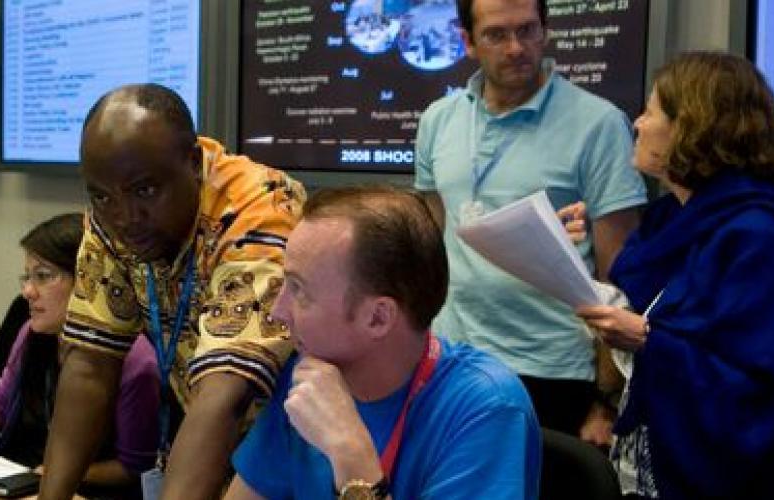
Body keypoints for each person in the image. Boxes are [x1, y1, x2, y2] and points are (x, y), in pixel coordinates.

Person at [38, 84, 305, 500]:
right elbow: (90, 367)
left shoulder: (258, 206)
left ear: (194, 163)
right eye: (102, 197)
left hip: (292, 457)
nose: (125, 218)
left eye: (145, 191)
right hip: (210, 453)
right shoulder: (112, 216)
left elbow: (225, 393)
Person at [413, 0, 647, 441]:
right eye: (497, 35)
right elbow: (430, 245)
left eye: (528, 31)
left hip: (552, 370)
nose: (517, 47)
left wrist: (605, 400)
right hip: (452, 357)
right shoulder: (437, 121)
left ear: (545, 31)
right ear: (467, 42)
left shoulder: (597, 124)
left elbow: (618, 275)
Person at [572, 52, 774, 500]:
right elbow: (634, 302)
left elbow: (757, 391)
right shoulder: (668, 220)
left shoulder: (763, 237)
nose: (636, 123)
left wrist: (647, 341)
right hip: (645, 466)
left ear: (693, 127)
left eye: (652, 111)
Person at [226, 185, 540, 500]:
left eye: (299, 290)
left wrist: (351, 454)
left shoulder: (486, 407)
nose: (278, 311)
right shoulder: (308, 374)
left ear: (378, 317)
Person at [0, 214, 159, 496]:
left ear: (86, 280)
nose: (27, 292)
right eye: (27, 277)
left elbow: (133, 468)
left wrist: (53, 471)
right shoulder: (32, 334)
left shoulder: (137, 362)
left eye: (43, 276)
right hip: (20, 473)